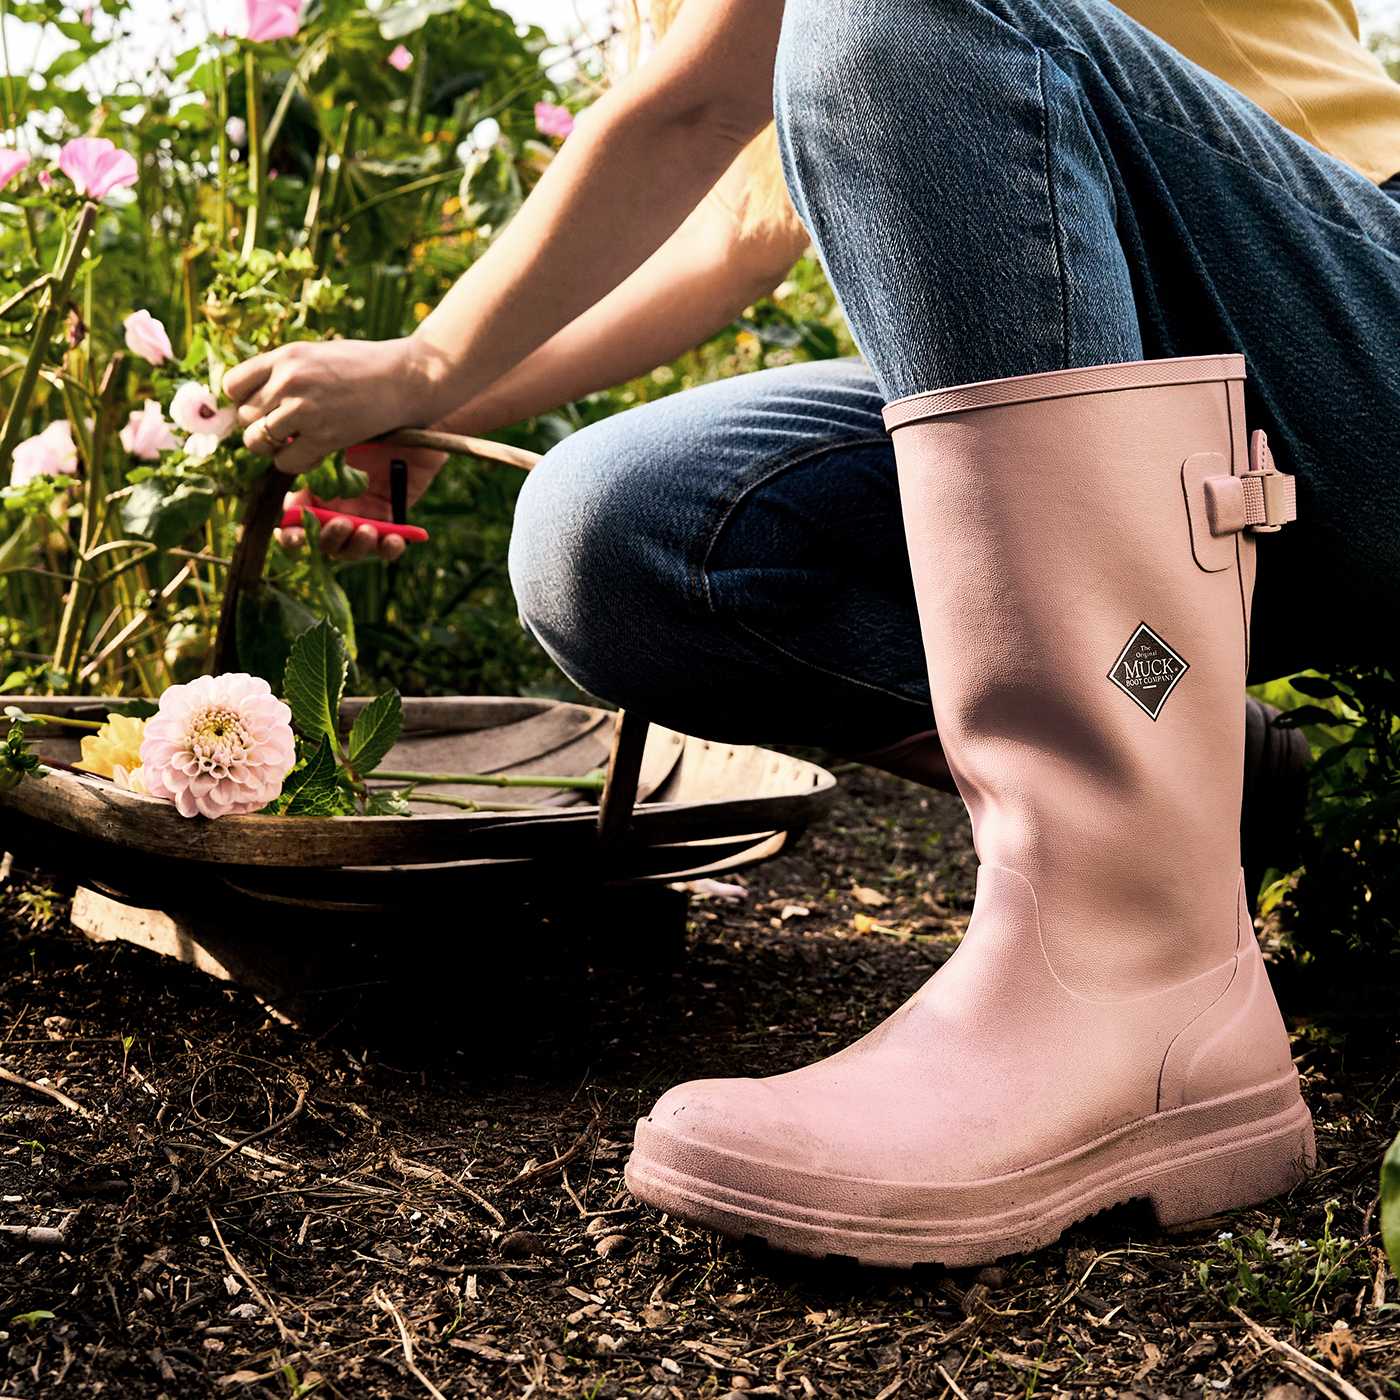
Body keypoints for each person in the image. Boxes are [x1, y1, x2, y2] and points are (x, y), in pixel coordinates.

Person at [226, 0, 1400, 1266]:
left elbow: (704, 99)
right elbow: (735, 222)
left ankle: (1122, 965)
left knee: (901, 11)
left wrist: (422, 356)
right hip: (1154, 480)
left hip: (1353, 348)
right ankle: (1195, 768)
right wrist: (432, 403)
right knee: (617, 532)